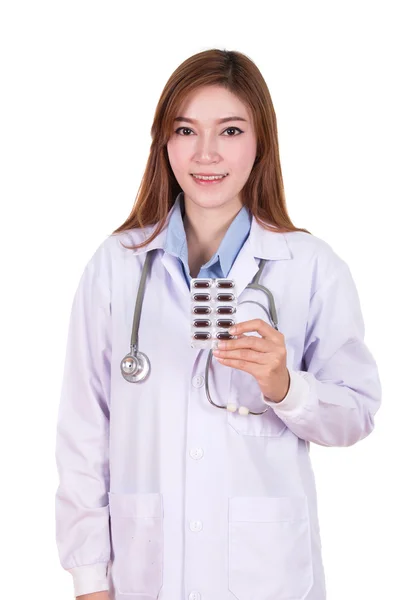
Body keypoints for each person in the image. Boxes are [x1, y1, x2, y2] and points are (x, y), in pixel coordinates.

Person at [54, 48, 382, 600]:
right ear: (164, 140)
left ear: (261, 142)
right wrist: (90, 577)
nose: (206, 153)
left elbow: (358, 414)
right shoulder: (116, 265)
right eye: (186, 130)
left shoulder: (311, 267)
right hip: (144, 574)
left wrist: (286, 386)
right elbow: (84, 432)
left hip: (266, 576)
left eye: (230, 131)